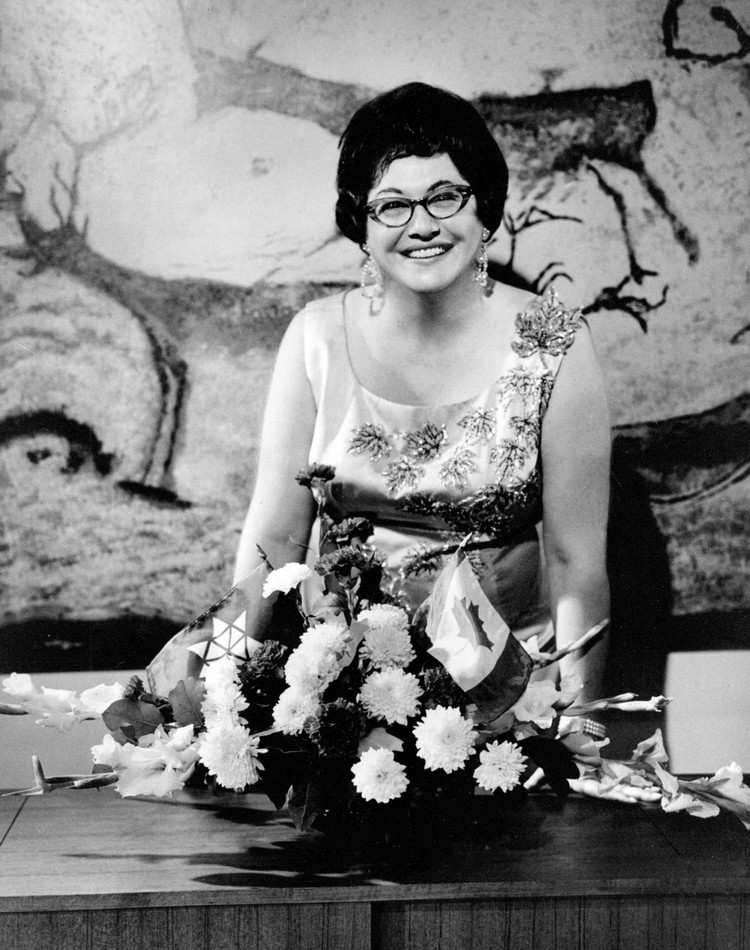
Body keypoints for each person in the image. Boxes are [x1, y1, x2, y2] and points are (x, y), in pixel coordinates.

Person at [233, 82, 610, 703]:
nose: (422, 225)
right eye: (392, 206)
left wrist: (580, 723)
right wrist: (223, 692)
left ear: (483, 205)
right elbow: (272, 541)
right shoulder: (315, 339)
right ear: (360, 223)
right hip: (341, 697)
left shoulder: (555, 341)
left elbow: (576, 563)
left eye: (444, 196)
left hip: (513, 702)